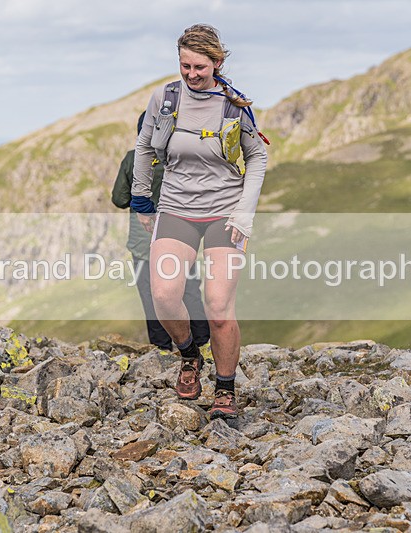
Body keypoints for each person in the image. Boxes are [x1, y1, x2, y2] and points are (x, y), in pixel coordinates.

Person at [130, 24, 268, 419]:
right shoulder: (165, 98)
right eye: (185, 65)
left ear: (217, 63)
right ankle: (190, 356)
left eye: (200, 67)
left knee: (219, 306)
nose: (192, 74)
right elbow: (144, 146)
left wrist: (245, 211)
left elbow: (257, 157)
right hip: (175, 208)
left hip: (225, 212)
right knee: (164, 296)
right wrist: (142, 200)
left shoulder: (233, 105)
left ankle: (225, 389)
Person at [111, 112, 210, 353]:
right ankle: (203, 343)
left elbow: (119, 199)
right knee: (189, 290)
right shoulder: (181, 160)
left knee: (151, 295)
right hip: (182, 236)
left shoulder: (133, 160)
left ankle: (162, 348)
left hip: (143, 242)